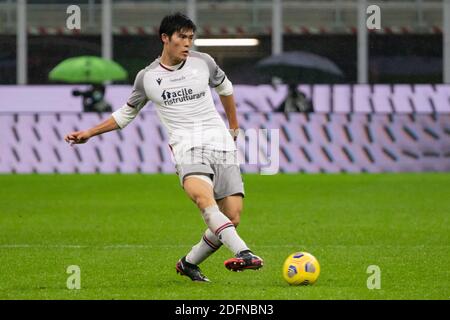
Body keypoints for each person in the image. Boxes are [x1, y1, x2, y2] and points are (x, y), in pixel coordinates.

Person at [64, 13, 263, 282]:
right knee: (204, 201)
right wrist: (90, 132)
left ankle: (188, 263)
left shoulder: (204, 63)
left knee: (232, 217)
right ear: (165, 38)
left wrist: (234, 127)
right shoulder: (147, 77)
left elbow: (225, 88)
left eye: (191, 38)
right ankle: (245, 253)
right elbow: (126, 113)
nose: (187, 43)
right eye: (181, 37)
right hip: (186, 148)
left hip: (220, 144)